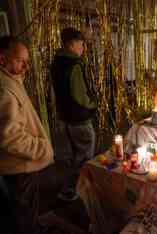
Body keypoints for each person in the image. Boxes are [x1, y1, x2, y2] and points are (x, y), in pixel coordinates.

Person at [0, 36, 54, 234]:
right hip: (19, 167)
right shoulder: (4, 89)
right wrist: (42, 147)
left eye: (27, 62)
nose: (25, 67)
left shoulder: (11, 80)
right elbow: (9, 136)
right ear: (2, 59)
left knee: (29, 206)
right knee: (24, 210)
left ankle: (35, 226)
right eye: (20, 60)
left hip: (22, 164)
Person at [51, 28, 97, 201]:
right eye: (81, 43)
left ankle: (69, 187)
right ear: (71, 44)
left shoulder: (56, 62)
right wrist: (93, 103)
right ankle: (77, 190)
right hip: (79, 118)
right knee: (84, 155)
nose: (83, 47)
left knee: (72, 156)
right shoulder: (75, 65)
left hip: (65, 117)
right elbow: (80, 96)